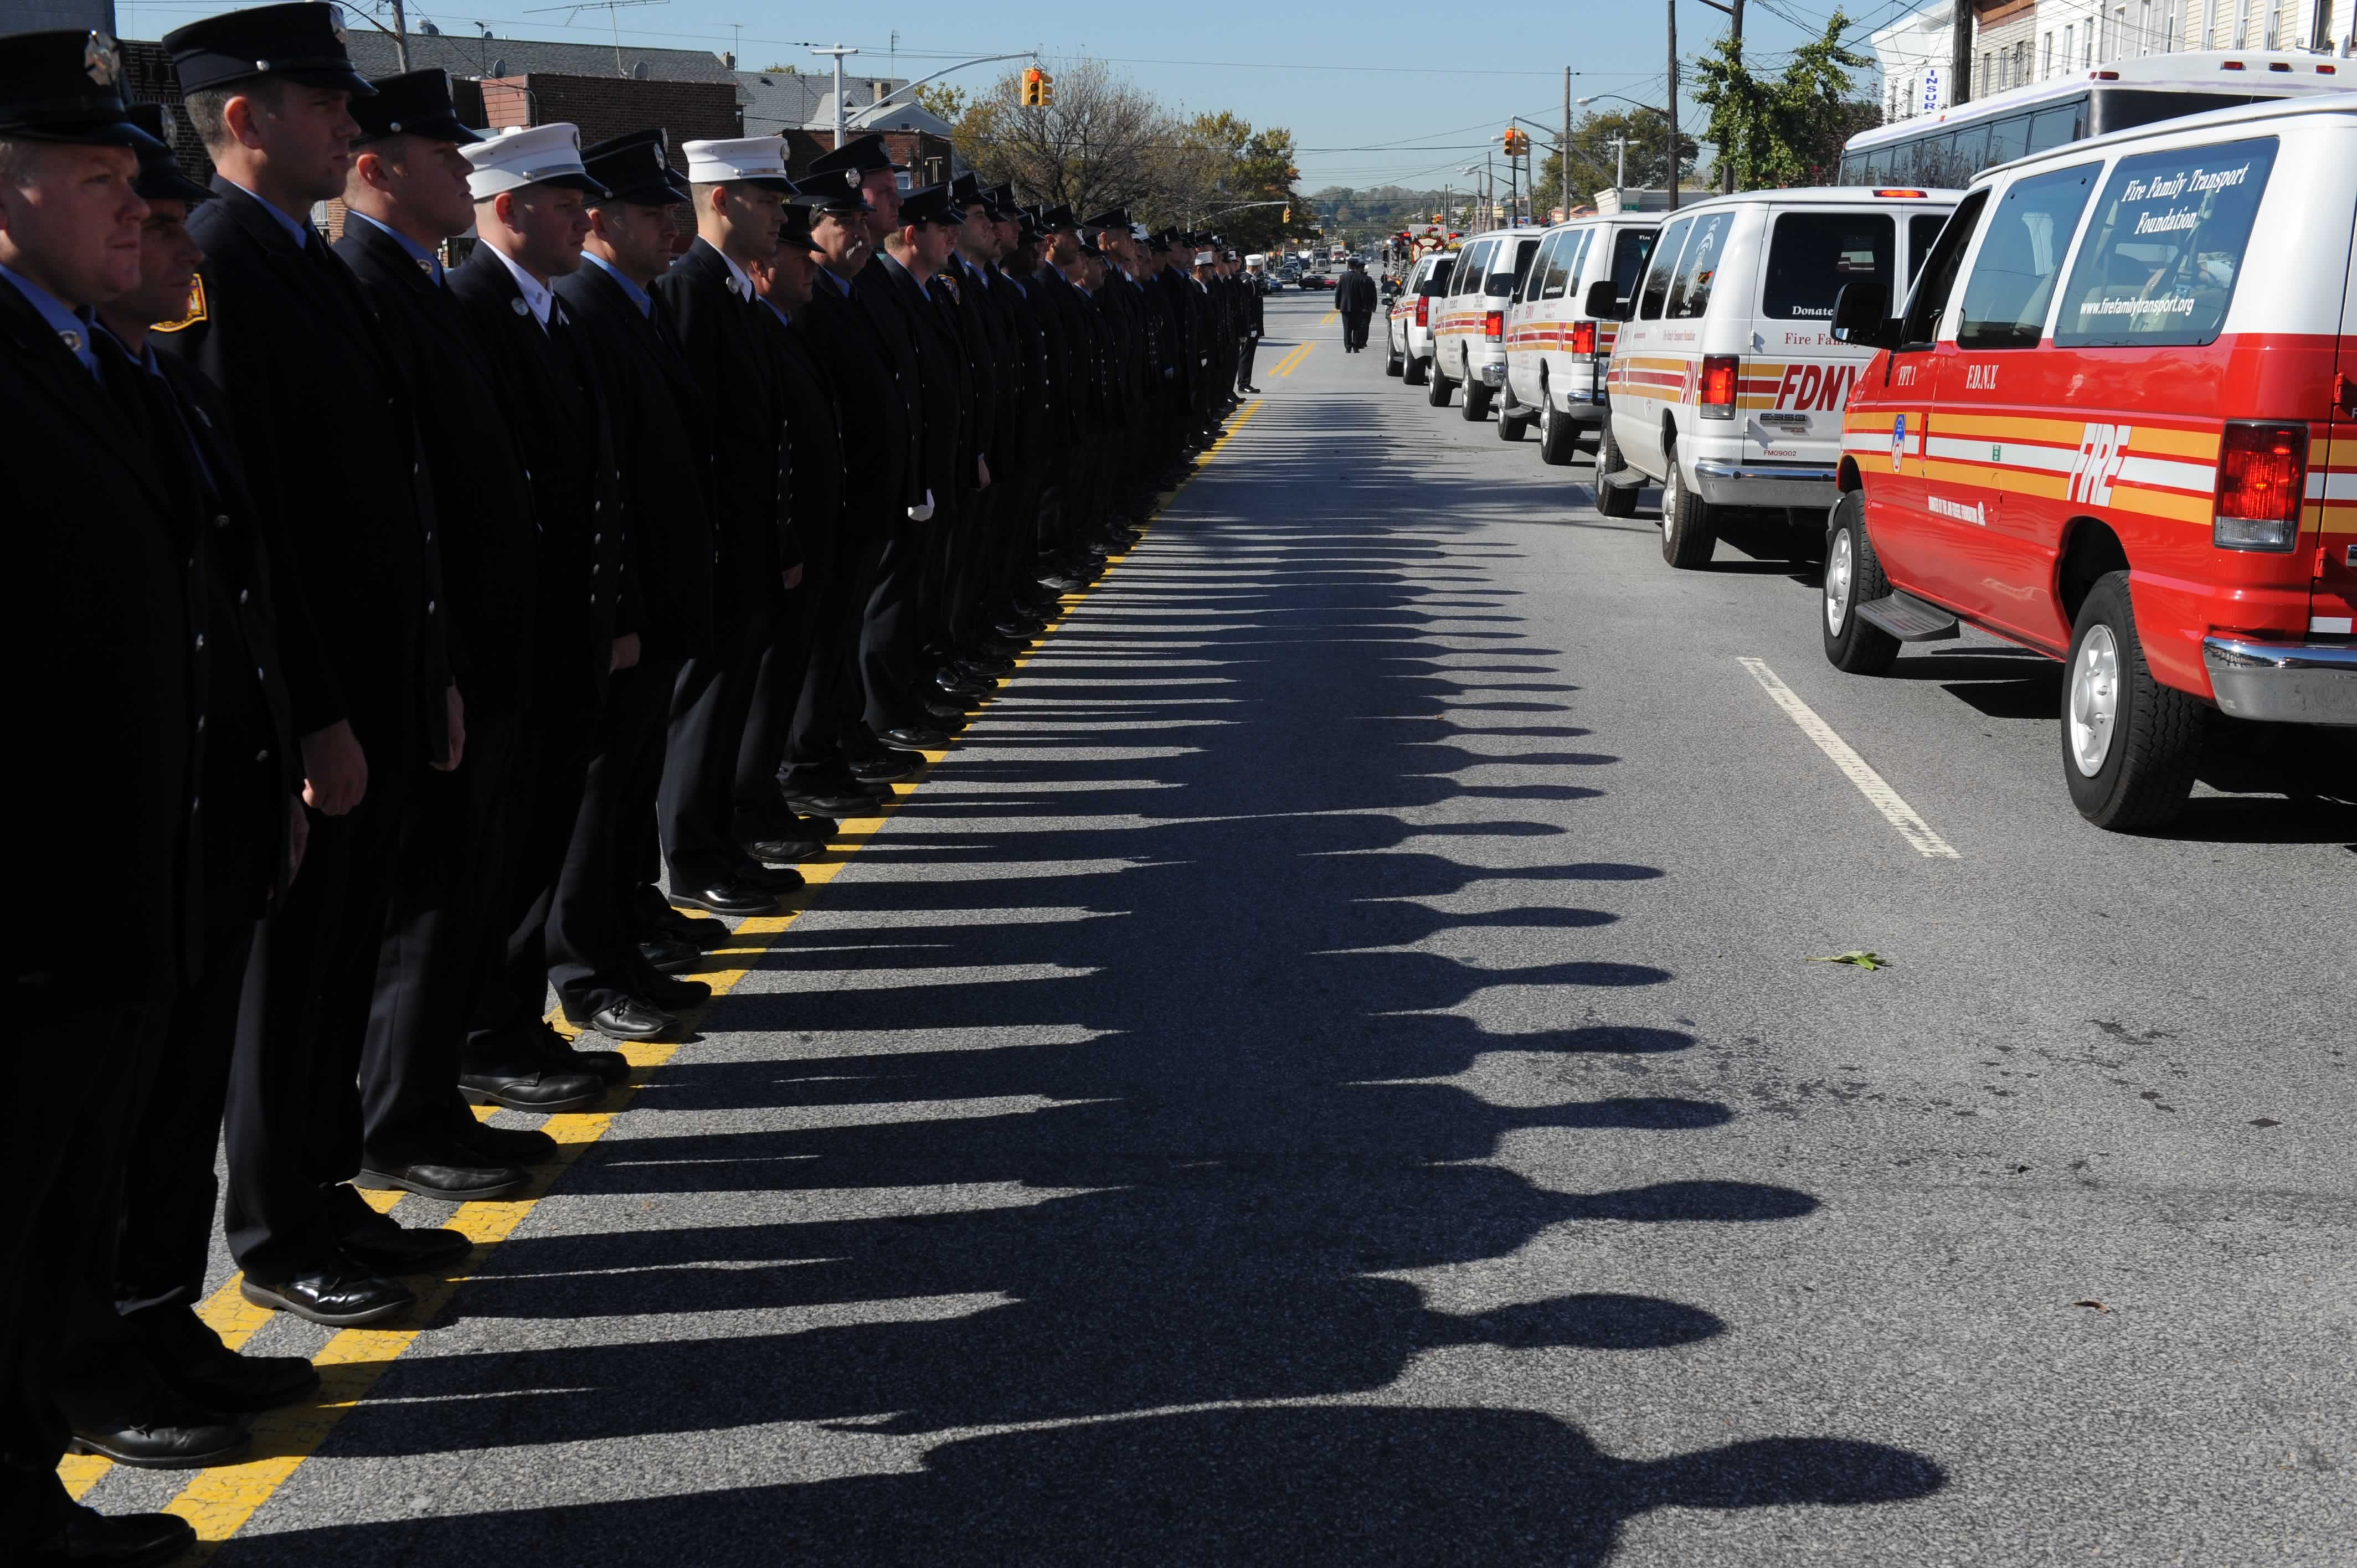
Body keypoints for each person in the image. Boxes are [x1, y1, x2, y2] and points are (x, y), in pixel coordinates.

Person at [161, 0, 468, 1332]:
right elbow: (258, 531)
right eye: (327, 102)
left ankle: (326, 1190)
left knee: (345, 957)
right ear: (246, 117)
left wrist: (424, 668)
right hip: (318, 698)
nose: (352, 123)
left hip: (381, 676)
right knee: (291, 981)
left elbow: (391, 498)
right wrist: (315, 717)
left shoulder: (304, 259)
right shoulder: (218, 264)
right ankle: (278, 1229)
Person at [59, 100, 310, 1481]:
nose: (171, 245)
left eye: (159, 212)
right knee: (88, 1141)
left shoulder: (146, 376)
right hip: (92, 841)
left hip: (197, 810)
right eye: (145, 219)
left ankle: (156, 1320)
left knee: (167, 1114)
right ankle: (90, 1364)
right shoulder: (69, 378)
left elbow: (229, 595)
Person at [1, 30, 212, 1562]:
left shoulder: (85, 354)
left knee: (53, 1220)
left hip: (105, 882)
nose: (137, 203)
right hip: (29, 898)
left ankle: (25, 1494)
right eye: (96, 179)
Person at [336, 70, 583, 1209]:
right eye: (445, 156)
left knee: (464, 892)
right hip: (438, 658)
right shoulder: (371, 284)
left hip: (482, 647)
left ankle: (430, 1101)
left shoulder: (418, 283)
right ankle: (398, 1119)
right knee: (427, 907)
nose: (463, 171)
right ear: (377, 168)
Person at [548, 128, 727, 1037]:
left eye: (672, 211)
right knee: (599, 797)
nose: (673, 228)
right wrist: (617, 607)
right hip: (624, 602)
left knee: (627, 790)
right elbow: (601, 480)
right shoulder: (586, 307)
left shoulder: (638, 305)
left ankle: (624, 941)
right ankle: (587, 969)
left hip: (658, 596)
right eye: (654, 214)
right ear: (602, 220)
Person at [650, 135, 804, 916]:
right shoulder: (691, 290)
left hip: (749, 544)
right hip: (716, 549)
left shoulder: (735, 292)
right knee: (703, 712)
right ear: (720, 200)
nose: (779, 216)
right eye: (766, 201)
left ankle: (720, 842)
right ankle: (690, 857)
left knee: (730, 707)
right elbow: (690, 441)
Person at [1335, 257, 1377, 352]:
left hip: (1345, 307)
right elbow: (1363, 294)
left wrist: (1337, 304)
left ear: (1348, 266)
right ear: (1356, 266)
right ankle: (1356, 347)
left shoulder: (1342, 277)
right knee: (1357, 328)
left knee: (1347, 328)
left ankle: (1348, 347)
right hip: (1358, 307)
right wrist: (1365, 306)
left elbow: (1338, 292)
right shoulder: (1360, 278)